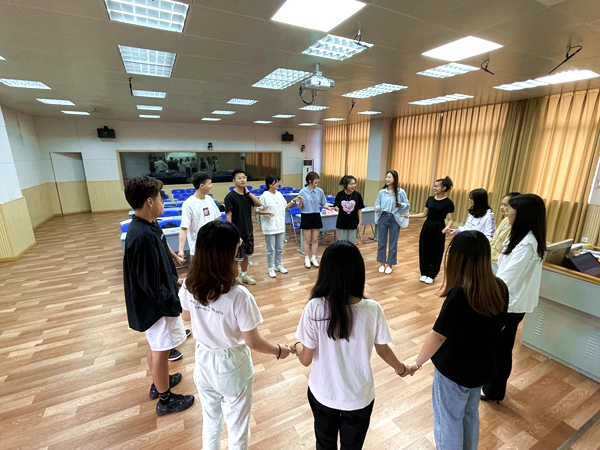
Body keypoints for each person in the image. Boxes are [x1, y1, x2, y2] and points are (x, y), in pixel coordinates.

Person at [179, 221, 291, 449]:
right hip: (231, 365)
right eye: (237, 246)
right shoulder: (239, 296)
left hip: (203, 361)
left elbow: (186, 316)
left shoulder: (190, 283)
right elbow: (253, 341)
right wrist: (279, 350)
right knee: (237, 426)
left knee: (211, 421)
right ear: (228, 253)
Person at [292, 240, 411, 449]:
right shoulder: (372, 309)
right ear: (358, 272)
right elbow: (383, 349)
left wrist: (296, 345)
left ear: (325, 272)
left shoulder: (314, 308)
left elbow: (305, 359)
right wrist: (401, 369)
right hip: (359, 397)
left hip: (323, 394)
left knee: (324, 443)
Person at [407, 231, 508, 450]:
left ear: (459, 258)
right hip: (481, 368)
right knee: (470, 414)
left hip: (454, 371)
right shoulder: (500, 287)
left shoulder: (460, 293)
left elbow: (438, 335)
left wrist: (417, 363)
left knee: (448, 419)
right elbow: (500, 326)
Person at [122, 177, 195, 416]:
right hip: (155, 305)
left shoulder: (150, 225)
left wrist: (175, 280)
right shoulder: (141, 236)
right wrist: (174, 304)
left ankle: (158, 380)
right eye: (160, 198)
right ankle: (165, 400)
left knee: (156, 346)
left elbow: (160, 265)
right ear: (150, 201)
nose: (163, 202)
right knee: (161, 349)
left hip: (160, 297)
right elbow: (149, 284)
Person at [482, 194, 547, 402]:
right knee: (498, 346)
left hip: (510, 304)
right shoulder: (520, 237)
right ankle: (492, 387)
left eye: (510, 209)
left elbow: (507, 278)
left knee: (500, 349)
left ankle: (494, 391)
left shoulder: (527, 243)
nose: (506, 212)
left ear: (523, 215)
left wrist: (484, 293)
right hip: (508, 300)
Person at [405, 176, 454, 284]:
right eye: (434, 186)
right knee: (424, 249)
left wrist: (447, 227)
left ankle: (432, 274)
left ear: (444, 188)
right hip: (427, 226)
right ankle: (424, 272)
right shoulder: (430, 199)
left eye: (437, 186)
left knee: (436, 251)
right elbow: (424, 214)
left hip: (439, 228)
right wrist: (411, 216)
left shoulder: (448, 203)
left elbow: (450, 219)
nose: (434, 188)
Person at [225, 169, 262, 285]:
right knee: (236, 258)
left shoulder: (247, 195)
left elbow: (259, 204)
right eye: (239, 178)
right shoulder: (230, 197)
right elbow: (229, 216)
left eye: (244, 178)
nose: (242, 180)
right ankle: (235, 279)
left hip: (248, 230)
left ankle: (244, 275)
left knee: (246, 255)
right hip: (237, 233)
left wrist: (248, 192)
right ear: (233, 180)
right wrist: (232, 234)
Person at [256, 175, 296, 278]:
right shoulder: (264, 196)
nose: (278, 184)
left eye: (278, 182)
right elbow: (258, 210)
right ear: (270, 184)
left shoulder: (279, 194)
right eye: (275, 182)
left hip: (280, 226)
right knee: (271, 249)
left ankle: (278, 265)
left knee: (279, 248)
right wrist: (266, 213)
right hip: (270, 227)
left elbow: (285, 207)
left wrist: (293, 201)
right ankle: (270, 267)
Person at [178, 172, 222, 262]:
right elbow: (184, 228)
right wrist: (181, 250)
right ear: (202, 186)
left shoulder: (209, 199)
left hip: (213, 245)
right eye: (209, 183)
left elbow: (217, 219)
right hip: (198, 248)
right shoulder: (188, 204)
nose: (211, 186)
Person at [374, 170, 409, 274]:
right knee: (381, 242)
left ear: (395, 179)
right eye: (386, 177)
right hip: (383, 217)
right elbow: (377, 203)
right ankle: (382, 263)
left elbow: (407, 204)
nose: (387, 179)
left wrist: (400, 204)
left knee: (393, 243)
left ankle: (390, 264)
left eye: (389, 177)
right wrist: (377, 207)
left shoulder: (400, 192)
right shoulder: (382, 192)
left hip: (395, 218)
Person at [296, 171, 332, 269]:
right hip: (306, 215)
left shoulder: (320, 191)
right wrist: (301, 201)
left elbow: (323, 203)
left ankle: (314, 258)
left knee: (315, 239)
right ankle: (306, 258)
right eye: (315, 179)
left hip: (316, 215)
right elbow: (299, 207)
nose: (317, 181)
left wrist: (328, 208)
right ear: (309, 180)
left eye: (318, 179)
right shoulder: (303, 191)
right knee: (307, 239)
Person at [490, 192, 521, 274]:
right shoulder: (505, 220)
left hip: (498, 263)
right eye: (502, 204)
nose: (502, 208)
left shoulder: (515, 226)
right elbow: (494, 240)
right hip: (490, 258)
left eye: (505, 205)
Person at [333, 175, 365, 243]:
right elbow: (336, 206)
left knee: (351, 244)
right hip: (342, 223)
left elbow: (359, 210)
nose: (353, 186)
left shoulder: (357, 195)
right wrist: (336, 208)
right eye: (351, 184)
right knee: (342, 243)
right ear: (345, 185)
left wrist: (360, 223)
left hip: (353, 222)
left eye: (354, 184)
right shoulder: (340, 195)